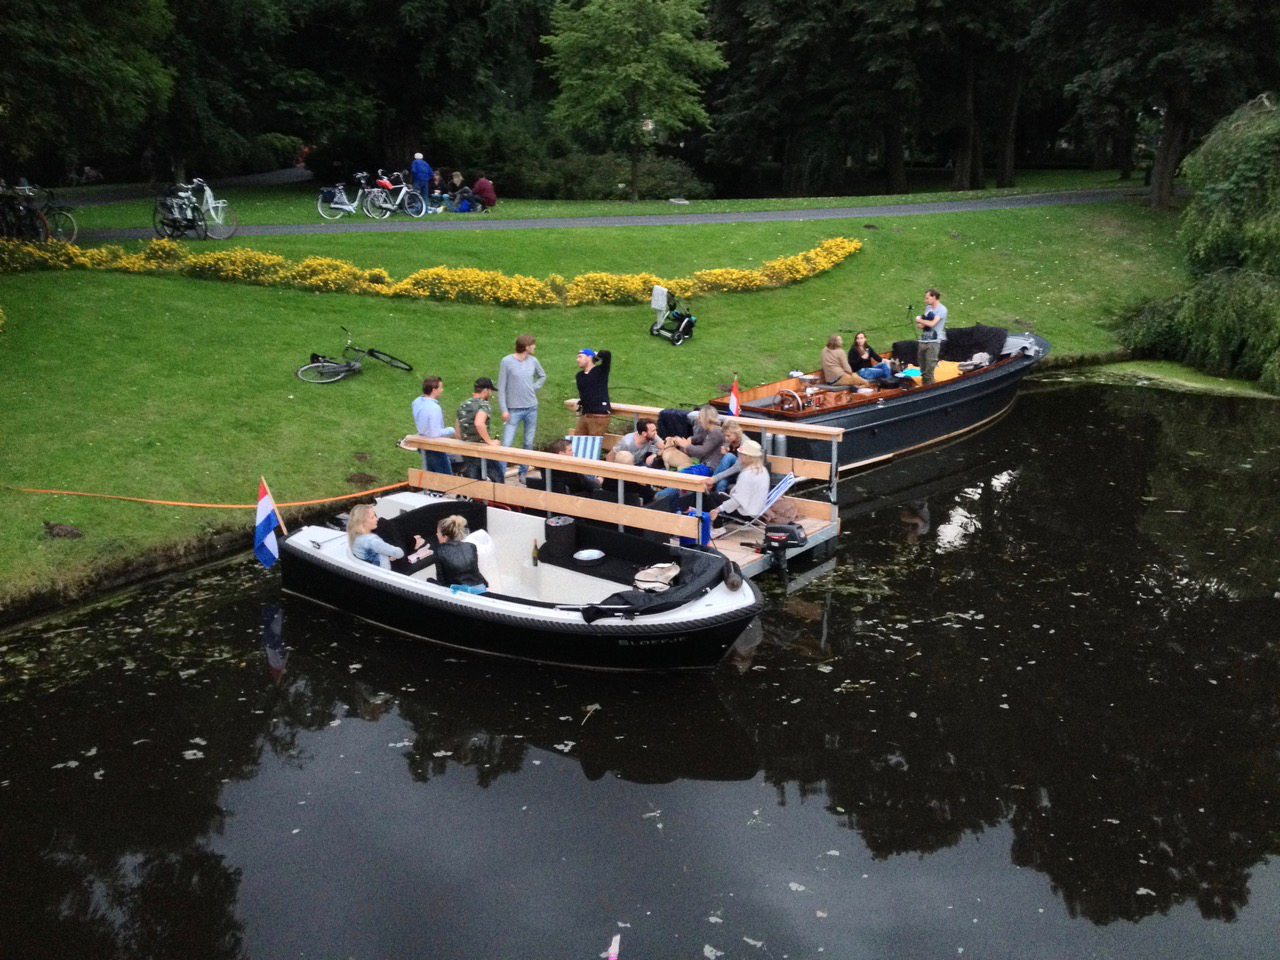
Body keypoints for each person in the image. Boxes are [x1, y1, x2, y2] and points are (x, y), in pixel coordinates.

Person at [498, 334, 547, 484]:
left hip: (532, 407)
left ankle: (523, 472)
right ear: (526, 347)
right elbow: (501, 387)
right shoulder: (507, 361)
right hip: (513, 409)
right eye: (533, 344)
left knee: (528, 442)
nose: (535, 347)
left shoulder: (533, 361)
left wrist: (534, 387)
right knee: (507, 443)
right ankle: (499, 475)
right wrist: (504, 409)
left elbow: (542, 376)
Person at [347, 503, 426, 568]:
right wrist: (392, 554)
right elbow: (399, 553)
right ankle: (414, 542)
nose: (376, 519)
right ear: (363, 522)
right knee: (389, 526)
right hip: (383, 573)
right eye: (372, 517)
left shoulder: (354, 536)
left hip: (370, 568)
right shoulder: (373, 541)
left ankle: (414, 541)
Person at [456, 377, 504, 483]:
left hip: (467, 450)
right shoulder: (484, 405)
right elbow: (479, 423)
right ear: (485, 390)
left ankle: (477, 500)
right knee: (499, 479)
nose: (491, 394)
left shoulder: (463, 405)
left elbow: (458, 432)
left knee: (475, 482)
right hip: (481, 451)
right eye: (490, 391)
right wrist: (490, 442)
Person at [412, 376, 455, 475]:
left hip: (422, 443)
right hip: (434, 447)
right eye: (441, 388)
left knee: (430, 475)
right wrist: (451, 430)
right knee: (445, 478)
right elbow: (435, 433)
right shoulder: (434, 408)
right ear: (434, 390)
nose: (442, 390)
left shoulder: (416, 402)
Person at [430, 515, 487, 589]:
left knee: (429, 580)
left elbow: (442, 581)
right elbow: (475, 571)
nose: (436, 535)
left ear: (445, 537)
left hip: (460, 591)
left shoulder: (439, 551)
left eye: (438, 533)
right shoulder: (471, 546)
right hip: (479, 587)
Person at [667, 405, 726, 471]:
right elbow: (700, 437)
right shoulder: (708, 429)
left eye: (700, 417)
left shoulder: (716, 432)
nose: (698, 419)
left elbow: (702, 452)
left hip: (711, 467)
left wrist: (686, 445)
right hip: (704, 464)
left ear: (705, 418)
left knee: (683, 473)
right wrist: (691, 439)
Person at [574, 347, 612, 436]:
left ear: (589, 357)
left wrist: (597, 354)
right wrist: (580, 403)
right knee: (578, 441)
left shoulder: (601, 371)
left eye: (580, 357)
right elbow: (586, 393)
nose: (578, 359)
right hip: (586, 413)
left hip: (599, 414)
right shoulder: (580, 376)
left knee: (594, 443)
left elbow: (607, 354)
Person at [915, 288, 948, 385]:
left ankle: (931, 390)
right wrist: (922, 322)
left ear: (934, 297)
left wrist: (919, 319)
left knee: (929, 371)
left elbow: (932, 323)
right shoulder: (928, 308)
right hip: (923, 341)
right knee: (923, 370)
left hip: (933, 343)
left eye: (927, 298)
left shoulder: (942, 310)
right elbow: (921, 325)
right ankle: (924, 388)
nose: (926, 301)